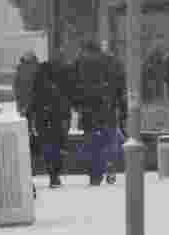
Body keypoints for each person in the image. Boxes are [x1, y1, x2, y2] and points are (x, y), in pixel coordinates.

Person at [71, 40, 127, 186]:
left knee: (92, 143)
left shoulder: (80, 63)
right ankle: (110, 163)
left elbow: (73, 87)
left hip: (89, 111)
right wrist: (122, 108)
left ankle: (95, 175)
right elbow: (121, 86)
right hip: (108, 108)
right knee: (110, 139)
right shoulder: (113, 62)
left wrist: (77, 105)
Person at [30, 59, 72, 188]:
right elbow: (65, 102)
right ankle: (55, 174)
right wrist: (66, 117)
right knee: (58, 147)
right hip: (57, 120)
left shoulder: (38, 84)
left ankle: (52, 173)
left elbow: (33, 103)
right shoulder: (59, 84)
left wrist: (31, 117)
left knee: (47, 146)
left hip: (42, 119)